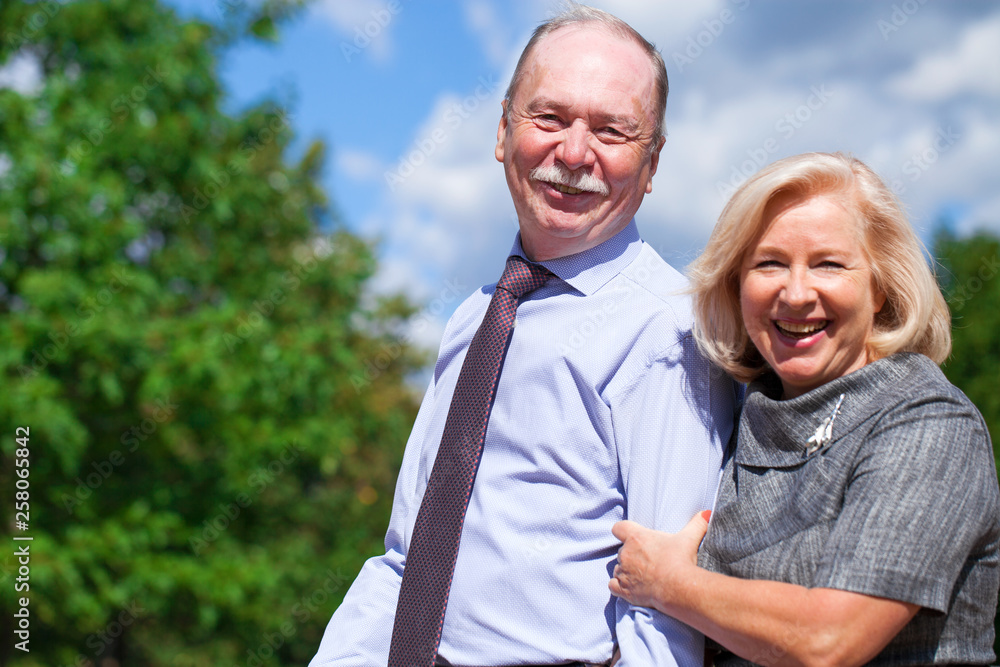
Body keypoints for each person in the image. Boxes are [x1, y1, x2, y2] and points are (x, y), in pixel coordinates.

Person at [310, 6, 738, 667]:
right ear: (503, 129)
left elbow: (663, 610)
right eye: (549, 117)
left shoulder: (668, 327)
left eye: (612, 130)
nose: (573, 152)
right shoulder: (474, 318)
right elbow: (405, 556)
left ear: (651, 167)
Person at [609, 151, 1000, 666]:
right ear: (736, 284)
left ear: (880, 287)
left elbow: (829, 641)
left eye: (828, 264)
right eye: (769, 263)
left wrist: (668, 583)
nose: (795, 294)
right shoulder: (733, 413)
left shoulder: (927, 423)